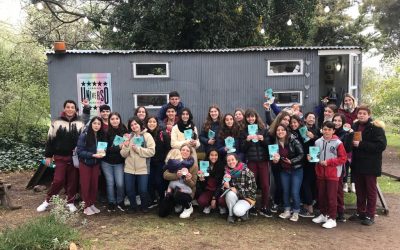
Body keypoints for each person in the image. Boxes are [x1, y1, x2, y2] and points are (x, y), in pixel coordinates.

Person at [37, 100, 85, 213]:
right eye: (67, 107)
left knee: (73, 181)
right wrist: (48, 156)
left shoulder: (80, 123)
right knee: (58, 180)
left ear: (75, 109)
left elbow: (83, 140)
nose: (70, 109)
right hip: (60, 157)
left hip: (74, 158)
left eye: (72, 107)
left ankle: (70, 202)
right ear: (64, 109)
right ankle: (47, 201)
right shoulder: (56, 122)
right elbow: (50, 139)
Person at [349, 105, 386, 226]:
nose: (361, 115)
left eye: (364, 113)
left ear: (369, 115)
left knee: (370, 191)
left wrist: (361, 144)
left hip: (370, 165)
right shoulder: (355, 126)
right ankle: (361, 212)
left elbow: (381, 146)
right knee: (359, 191)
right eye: (359, 113)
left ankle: (370, 215)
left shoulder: (376, 127)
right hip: (358, 164)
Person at [311, 121, 347, 229]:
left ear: (333, 131)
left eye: (329, 130)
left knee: (331, 197)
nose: (326, 131)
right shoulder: (317, 142)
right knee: (321, 195)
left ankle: (332, 218)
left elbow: (343, 158)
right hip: (320, 173)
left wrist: (329, 162)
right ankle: (323, 214)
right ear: (322, 130)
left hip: (333, 173)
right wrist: (311, 157)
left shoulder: (338, 143)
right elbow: (316, 156)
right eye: (325, 129)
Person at [241, 108, 272, 217]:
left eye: (252, 116)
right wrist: (247, 141)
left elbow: (269, 145)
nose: (250, 119)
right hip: (252, 161)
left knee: (265, 184)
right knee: (251, 185)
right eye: (248, 117)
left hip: (263, 161)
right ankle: (252, 206)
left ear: (256, 117)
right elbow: (243, 148)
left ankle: (265, 206)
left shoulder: (263, 129)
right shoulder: (244, 131)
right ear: (246, 118)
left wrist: (263, 139)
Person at [120, 117, 155, 213]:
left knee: (143, 190)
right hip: (129, 168)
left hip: (143, 168)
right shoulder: (128, 137)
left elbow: (152, 152)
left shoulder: (147, 136)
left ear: (140, 124)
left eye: (136, 124)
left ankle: (144, 206)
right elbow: (123, 154)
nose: (134, 126)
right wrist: (126, 146)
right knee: (130, 190)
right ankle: (133, 206)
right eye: (131, 125)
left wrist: (138, 149)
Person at [271, 125, 304, 222]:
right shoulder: (275, 144)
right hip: (284, 170)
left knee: (294, 191)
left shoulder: (294, 141)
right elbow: (275, 158)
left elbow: (302, 154)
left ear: (286, 131)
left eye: (282, 130)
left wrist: (292, 161)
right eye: (278, 130)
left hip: (296, 170)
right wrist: (275, 160)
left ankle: (296, 211)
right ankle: (287, 210)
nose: (280, 132)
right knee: (285, 191)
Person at [160, 145, 198, 219]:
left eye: (187, 151)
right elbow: (165, 175)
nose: (185, 152)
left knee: (178, 193)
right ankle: (178, 204)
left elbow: (193, 185)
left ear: (190, 153)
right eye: (183, 150)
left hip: (186, 191)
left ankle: (188, 207)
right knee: (162, 213)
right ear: (180, 151)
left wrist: (188, 179)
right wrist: (176, 175)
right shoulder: (174, 161)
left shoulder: (194, 166)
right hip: (172, 189)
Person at [76, 117, 105, 215]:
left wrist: (103, 153)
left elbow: (103, 149)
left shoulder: (101, 136)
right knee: (85, 185)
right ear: (91, 124)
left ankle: (91, 204)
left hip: (96, 164)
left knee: (94, 185)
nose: (96, 125)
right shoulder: (84, 135)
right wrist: (92, 155)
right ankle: (86, 206)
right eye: (94, 123)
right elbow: (79, 152)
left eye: (99, 124)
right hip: (85, 164)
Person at [102, 112, 128, 212]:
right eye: (112, 119)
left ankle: (120, 201)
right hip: (107, 162)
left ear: (120, 119)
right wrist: (118, 147)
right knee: (110, 183)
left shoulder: (124, 130)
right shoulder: (105, 132)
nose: (115, 120)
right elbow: (104, 149)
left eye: (117, 118)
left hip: (119, 162)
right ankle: (111, 202)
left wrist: (125, 144)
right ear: (109, 120)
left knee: (120, 183)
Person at [222, 153, 257, 223]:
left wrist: (238, 191)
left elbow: (253, 189)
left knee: (238, 211)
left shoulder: (246, 171)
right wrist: (225, 185)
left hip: (247, 198)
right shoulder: (226, 172)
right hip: (235, 197)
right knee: (230, 194)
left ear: (237, 160)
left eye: (232, 160)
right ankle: (231, 215)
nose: (231, 162)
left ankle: (242, 212)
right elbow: (224, 189)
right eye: (228, 161)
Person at [332, 113, 354, 222]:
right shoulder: (328, 131)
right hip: (328, 165)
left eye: (339, 121)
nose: (336, 123)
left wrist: (350, 135)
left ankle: (340, 213)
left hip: (340, 165)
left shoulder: (346, 134)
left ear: (343, 123)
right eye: (335, 120)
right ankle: (331, 211)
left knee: (338, 190)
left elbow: (348, 149)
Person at [146, 115, 171, 206]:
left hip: (160, 162)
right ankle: (152, 199)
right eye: (149, 122)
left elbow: (169, 148)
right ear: (146, 123)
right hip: (149, 163)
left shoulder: (162, 134)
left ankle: (162, 198)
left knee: (159, 181)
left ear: (157, 123)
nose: (151, 124)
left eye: (154, 122)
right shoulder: (145, 134)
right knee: (149, 182)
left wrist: (165, 161)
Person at [299, 112, 320, 217]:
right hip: (302, 160)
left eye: (313, 117)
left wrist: (313, 137)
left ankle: (309, 206)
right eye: (309, 117)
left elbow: (320, 142)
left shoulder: (317, 131)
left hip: (313, 161)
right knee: (304, 183)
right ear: (305, 119)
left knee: (308, 183)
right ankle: (307, 205)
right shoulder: (301, 129)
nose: (312, 119)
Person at [197, 148, 226, 215]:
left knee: (222, 201)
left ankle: (220, 205)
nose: (214, 157)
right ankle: (208, 205)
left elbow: (220, 184)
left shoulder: (221, 166)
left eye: (216, 155)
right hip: (208, 190)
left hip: (219, 190)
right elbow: (202, 185)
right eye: (212, 155)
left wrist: (214, 198)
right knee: (201, 201)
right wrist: (201, 180)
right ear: (208, 156)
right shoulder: (203, 165)